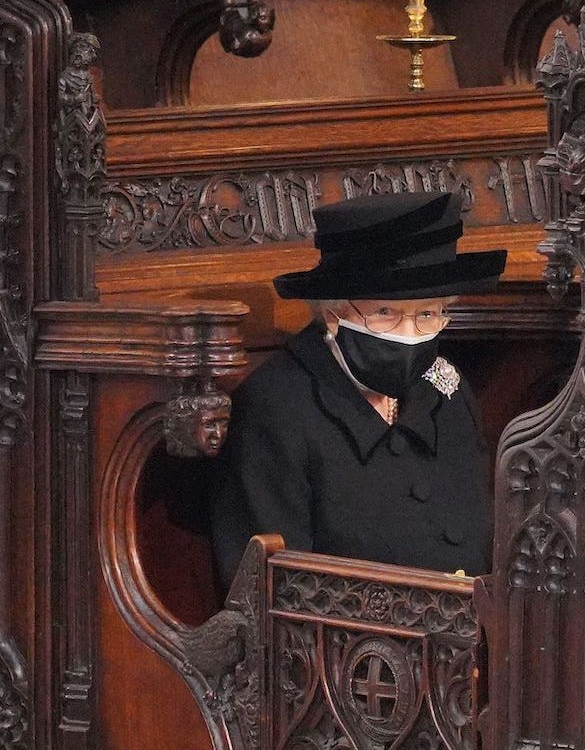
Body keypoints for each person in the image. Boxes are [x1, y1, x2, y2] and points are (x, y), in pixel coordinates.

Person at [210, 191, 506, 580]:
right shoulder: (277, 407)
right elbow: (269, 589)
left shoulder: (446, 390)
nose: (410, 335)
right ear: (333, 314)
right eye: (385, 313)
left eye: (428, 314)